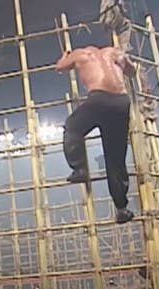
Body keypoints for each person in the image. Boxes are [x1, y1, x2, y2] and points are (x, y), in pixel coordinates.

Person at [56, 46, 136, 224]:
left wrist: (65, 56)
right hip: (121, 102)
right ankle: (121, 208)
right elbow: (132, 70)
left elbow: (60, 67)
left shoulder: (81, 54)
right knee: (115, 156)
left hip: (99, 99)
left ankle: (79, 169)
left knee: (72, 128)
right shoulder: (114, 53)